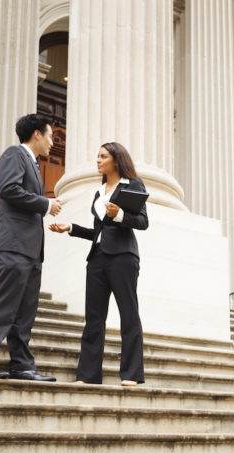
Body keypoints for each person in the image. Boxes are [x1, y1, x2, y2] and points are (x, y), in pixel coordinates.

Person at [0, 114, 62, 381]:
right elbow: (8, 189)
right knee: (1, 305)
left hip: (31, 250)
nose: (52, 143)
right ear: (36, 134)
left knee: (25, 311)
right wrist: (46, 204)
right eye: (50, 136)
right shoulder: (14, 154)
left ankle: (21, 365)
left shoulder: (33, 164)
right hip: (13, 245)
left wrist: (43, 203)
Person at [49, 142, 148, 386]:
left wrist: (120, 215)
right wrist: (70, 227)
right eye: (98, 156)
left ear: (116, 159)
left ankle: (132, 375)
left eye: (103, 156)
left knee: (129, 313)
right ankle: (88, 375)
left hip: (123, 257)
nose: (98, 160)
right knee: (94, 318)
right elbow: (97, 231)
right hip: (97, 257)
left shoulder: (132, 185)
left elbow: (143, 221)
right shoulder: (99, 192)